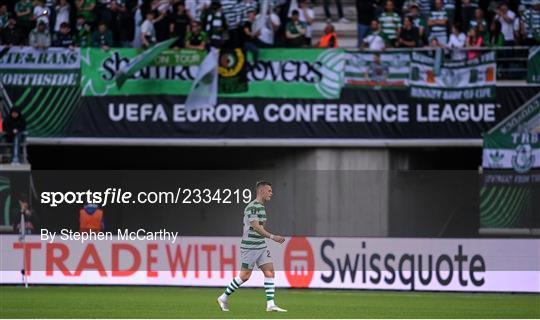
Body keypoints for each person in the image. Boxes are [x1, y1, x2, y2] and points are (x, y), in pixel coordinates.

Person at [217, 181, 287, 313]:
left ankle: (270, 304)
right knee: (244, 276)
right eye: (269, 191)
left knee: (270, 271)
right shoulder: (253, 207)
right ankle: (223, 297)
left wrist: (265, 234)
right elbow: (256, 228)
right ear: (261, 191)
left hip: (260, 245)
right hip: (250, 247)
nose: (271, 193)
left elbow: (261, 227)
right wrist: (273, 237)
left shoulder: (261, 207)